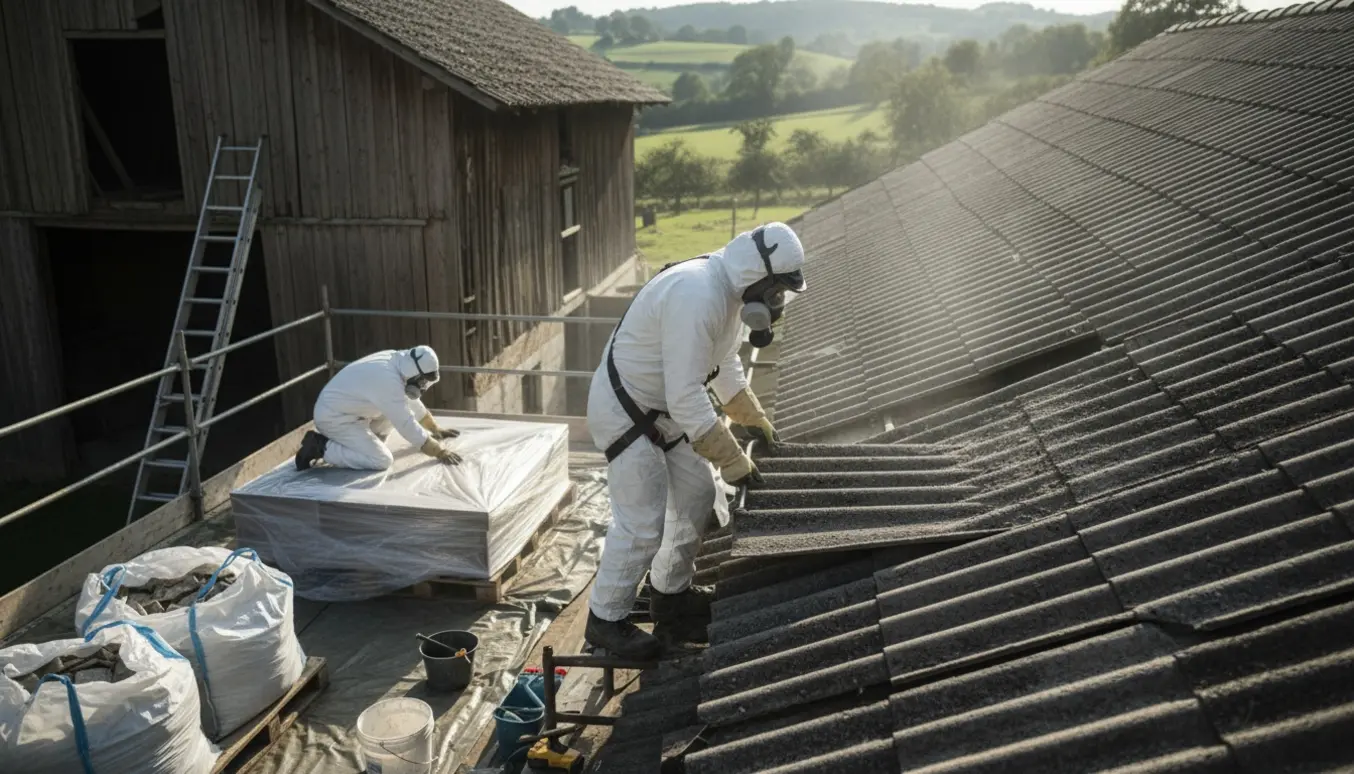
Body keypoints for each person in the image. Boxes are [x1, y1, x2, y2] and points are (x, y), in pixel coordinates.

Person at [585, 222, 806, 659]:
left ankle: (671, 597)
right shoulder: (696, 293)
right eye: (777, 291)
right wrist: (732, 460)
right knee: (642, 522)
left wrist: (752, 418)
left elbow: (724, 365)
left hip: (665, 412)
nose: (776, 302)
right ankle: (606, 622)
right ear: (756, 275)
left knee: (698, 497)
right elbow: (686, 394)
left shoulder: (729, 295)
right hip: (626, 412)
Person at [294, 346, 461, 471]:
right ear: (414, 373)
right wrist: (438, 451)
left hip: (354, 414)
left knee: (390, 418)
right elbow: (405, 422)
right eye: (423, 381)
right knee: (381, 460)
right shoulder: (387, 380)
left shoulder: (397, 363)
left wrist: (433, 427)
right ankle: (321, 447)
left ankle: (364, 446)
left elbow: (406, 402)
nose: (423, 387)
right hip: (334, 419)